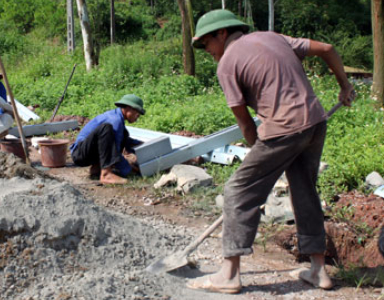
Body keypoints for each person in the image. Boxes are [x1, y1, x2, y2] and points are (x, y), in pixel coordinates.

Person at [187, 9, 356, 294]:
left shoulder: (227, 63)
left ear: (222, 33)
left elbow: (244, 122)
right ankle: (318, 270)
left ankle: (228, 275)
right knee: (304, 189)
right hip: (315, 123)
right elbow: (327, 48)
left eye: (206, 45)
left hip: (283, 129)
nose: (209, 52)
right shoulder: (274, 37)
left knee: (238, 191)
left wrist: (259, 151)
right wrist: (345, 85)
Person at [70, 94, 145, 184]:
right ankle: (106, 174)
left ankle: (96, 168)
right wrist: (128, 169)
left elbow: (123, 140)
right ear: (129, 108)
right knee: (106, 129)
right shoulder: (115, 120)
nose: (138, 117)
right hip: (80, 153)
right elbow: (114, 152)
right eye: (137, 113)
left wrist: (142, 144)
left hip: (86, 151)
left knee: (124, 134)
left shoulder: (117, 118)